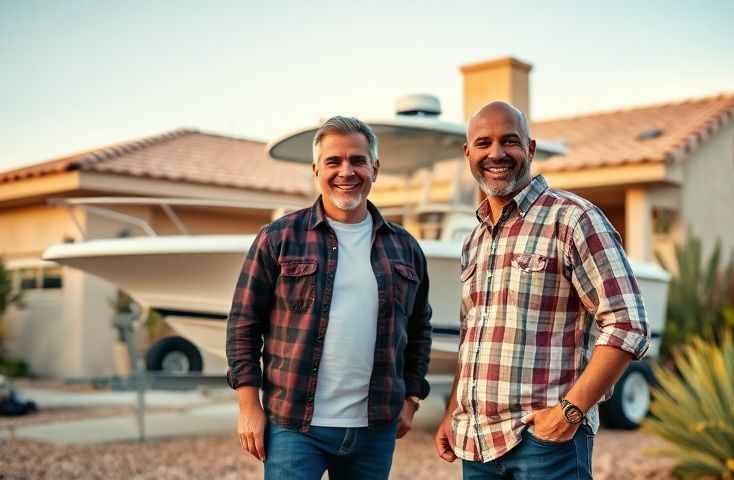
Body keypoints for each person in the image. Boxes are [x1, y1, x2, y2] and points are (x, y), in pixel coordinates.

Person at [434, 101, 650, 479]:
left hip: (545, 447)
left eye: (509, 141)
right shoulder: (474, 239)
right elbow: (473, 339)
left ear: (530, 149)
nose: (496, 153)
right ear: (468, 153)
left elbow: (627, 323)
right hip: (476, 446)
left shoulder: (572, 218)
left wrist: (567, 414)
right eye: (483, 143)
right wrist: (454, 413)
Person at [226, 116, 432, 480]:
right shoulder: (278, 238)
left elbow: (419, 329)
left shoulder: (405, 248)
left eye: (357, 161)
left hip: (374, 428)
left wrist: (412, 399)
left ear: (375, 168)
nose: (346, 171)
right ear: (316, 169)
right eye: (334, 162)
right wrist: (248, 406)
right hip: (294, 425)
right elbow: (244, 323)